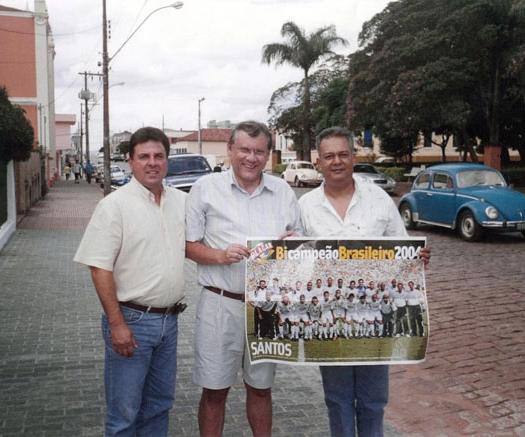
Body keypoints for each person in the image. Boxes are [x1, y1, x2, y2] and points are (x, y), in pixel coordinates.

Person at [299, 126, 430, 437]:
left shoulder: (379, 200)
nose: (337, 162)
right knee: (337, 399)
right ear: (319, 162)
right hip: (329, 320)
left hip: (376, 318)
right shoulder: (304, 207)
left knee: (373, 400)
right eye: (329, 156)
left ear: (354, 157)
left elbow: (401, 247)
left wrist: (417, 257)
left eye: (343, 154)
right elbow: (295, 262)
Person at [185, 120, 302, 437]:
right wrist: (220, 256)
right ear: (230, 150)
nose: (251, 158)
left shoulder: (283, 191)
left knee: (262, 388)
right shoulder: (205, 189)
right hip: (220, 303)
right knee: (214, 390)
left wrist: (292, 244)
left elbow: (300, 243)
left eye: (259, 151)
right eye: (245, 150)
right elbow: (188, 245)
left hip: (267, 307)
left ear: (268, 155)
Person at [73, 127, 187, 436]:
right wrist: (117, 324)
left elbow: (194, 244)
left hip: (169, 323)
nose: (152, 162)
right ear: (130, 161)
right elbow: (99, 267)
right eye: (144, 156)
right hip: (132, 322)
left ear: (167, 160)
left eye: (159, 156)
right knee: (124, 413)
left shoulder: (179, 201)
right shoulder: (114, 205)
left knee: (160, 405)